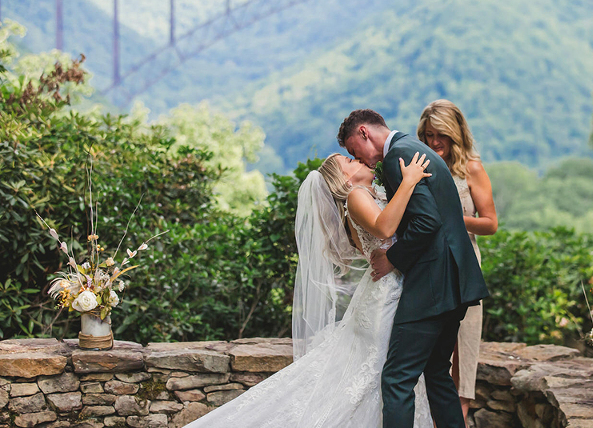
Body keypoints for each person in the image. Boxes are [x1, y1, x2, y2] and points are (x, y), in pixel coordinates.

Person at [184, 151, 434, 428]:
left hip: (384, 292)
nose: (360, 161)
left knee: (376, 374)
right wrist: (409, 181)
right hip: (385, 296)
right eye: (350, 162)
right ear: (344, 178)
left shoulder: (369, 194)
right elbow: (386, 228)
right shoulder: (356, 197)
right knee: (376, 373)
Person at [339, 109, 489, 428]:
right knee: (436, 373)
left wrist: (391, 258)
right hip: (457, 282)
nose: (362, 160)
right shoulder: (414, 149)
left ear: (364, 132)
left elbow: (426, 222)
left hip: (432, 286)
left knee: (396, 380)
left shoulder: (399, 158)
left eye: (354, 150)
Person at [418, 99, 498, 423]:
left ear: (456, 134)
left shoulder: (471, 169)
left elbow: (491, 223)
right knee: (430, 358)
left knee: (462, 361)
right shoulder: (418, 166)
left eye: (441, 135)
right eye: (427, 135)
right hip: (427, 272)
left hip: (464, 270)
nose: (434, 142)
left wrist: (454, 219)